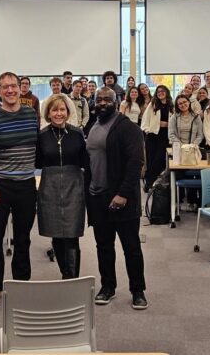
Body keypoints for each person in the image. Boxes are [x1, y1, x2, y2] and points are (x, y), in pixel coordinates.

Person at [0, 72, 39, 306]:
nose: (11, 90)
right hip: (0, 187)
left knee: (23, 239)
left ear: (20, 88)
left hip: (26, 186)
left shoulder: (31, 114)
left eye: (14, 86)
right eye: (5, 87)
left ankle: (21, 284)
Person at [86, 87, 148, 310]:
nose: (102, 103)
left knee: (131, 247)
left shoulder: (128, 128)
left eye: (107, 99)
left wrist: (122, 194)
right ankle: (108, 287)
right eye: (98, 99)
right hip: (97, 196)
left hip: (122, 199)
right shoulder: (92, 126)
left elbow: (135, 163)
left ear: (116, 101)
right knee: (103, 246)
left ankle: (138, 291)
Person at [37, 94, 90, 279]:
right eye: (54, 110)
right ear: (48, 113)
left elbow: (85, 161)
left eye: (62, 110)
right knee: (57, 235)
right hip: (49, 187)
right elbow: (38, 162)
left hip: (74, 185)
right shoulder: (42, 136)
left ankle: (72, 279)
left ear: (68, 113)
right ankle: (64, 274)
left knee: (72, 235)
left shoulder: (77, 133)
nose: (58, 113)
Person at [141, 85, 172, 186]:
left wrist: (167, 124)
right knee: (151, 160)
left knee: (159, 160)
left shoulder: (171, 105)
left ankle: (154, 183)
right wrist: (147, 130)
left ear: (166, 92)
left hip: (165, 137)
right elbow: (145, 119)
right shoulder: (153, 104)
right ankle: (149, 183)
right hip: (152, 136)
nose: (160, 93)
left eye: (162, 91)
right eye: (158, 92)